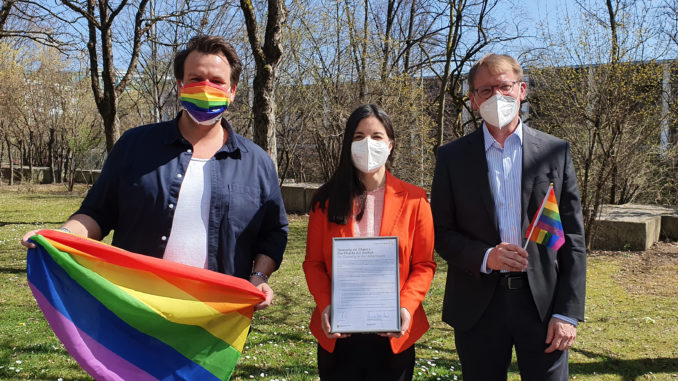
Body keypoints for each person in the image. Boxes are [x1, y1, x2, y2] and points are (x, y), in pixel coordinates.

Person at [21, 35, 288, 310]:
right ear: (180, 85)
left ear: (232, 91)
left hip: (219, 315)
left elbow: (273, 232)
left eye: (217, 82)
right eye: (195, 79)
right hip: (137, 309)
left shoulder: (257, 162)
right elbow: (97, 213)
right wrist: (60, 236)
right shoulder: (135, 146)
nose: (206, 89)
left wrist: (258, 277)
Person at [430, 53, 586, 380]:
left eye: (504, 86)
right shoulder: (451, 158)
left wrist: (567, 313)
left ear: (522, 90)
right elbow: (441, 233)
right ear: (472, 100)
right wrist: (488, 256)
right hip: (478, 306)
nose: (497, 96)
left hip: (544, 306)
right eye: (485, 90)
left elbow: (572, 238)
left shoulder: (555, 152)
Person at [303, 104, 436, 381]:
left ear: (390, 145)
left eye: (376, 136)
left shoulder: (415, 199)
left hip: (394, 331)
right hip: (338, 331)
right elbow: (313, 264)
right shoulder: (324, 200)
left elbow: (424, 265)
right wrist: (327, 305)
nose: (368, 143)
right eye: (358, 136)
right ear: (348, 144)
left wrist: (406, 307)